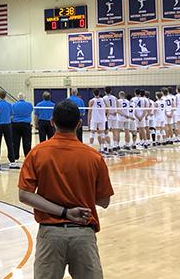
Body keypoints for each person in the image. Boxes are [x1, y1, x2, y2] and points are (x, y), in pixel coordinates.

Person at [18, 100, 114, 279]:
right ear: (79, 124)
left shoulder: (38, 153)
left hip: (50, 234)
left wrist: (64, 212)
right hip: (83, 234)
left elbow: (24, 195)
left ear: (52, 122)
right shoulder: (94, 157)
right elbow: (104, 201)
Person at [11, 92, 33, 163]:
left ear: (18, 97)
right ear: (25, 97)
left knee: (15, 141)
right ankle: (27, 156)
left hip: (16, 124)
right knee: (27, 141)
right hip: (26, 124)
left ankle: (16, 157)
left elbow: (12, 114)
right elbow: (30, 111)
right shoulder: (29, 105)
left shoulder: (13, 105)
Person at [0, 91, 14, 168]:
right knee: (9, 142)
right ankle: (12, 160)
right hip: (7, 125)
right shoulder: (9, 105)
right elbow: (12, 114)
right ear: (5, 96)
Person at [103, 87, 119, 152]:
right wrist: (116, 111)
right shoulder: (115, 97)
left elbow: (105, 108)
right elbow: (118, 105)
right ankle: (115, 145)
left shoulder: (104, 98)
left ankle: (107, 146)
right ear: (111, 91)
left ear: (105, 91)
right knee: (115, 131)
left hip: (108, 116)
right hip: (115, 116)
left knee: (106, 131)